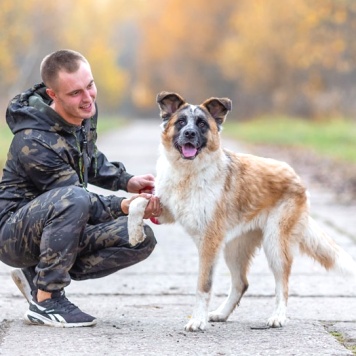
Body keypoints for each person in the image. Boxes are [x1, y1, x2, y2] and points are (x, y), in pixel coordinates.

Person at [0, 49, 161, 328]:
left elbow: (88, 158)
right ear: (53, 95)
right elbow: (77, 200)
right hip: (13, 235)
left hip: (55, 227)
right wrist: (125, 205)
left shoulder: (80, 114)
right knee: (74, 198)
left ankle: (35, 276)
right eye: (75, 93)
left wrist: (126, 180)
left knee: (139, 237)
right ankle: (46, 299)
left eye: (90, 86)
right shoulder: (34, 140)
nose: (87, 98)